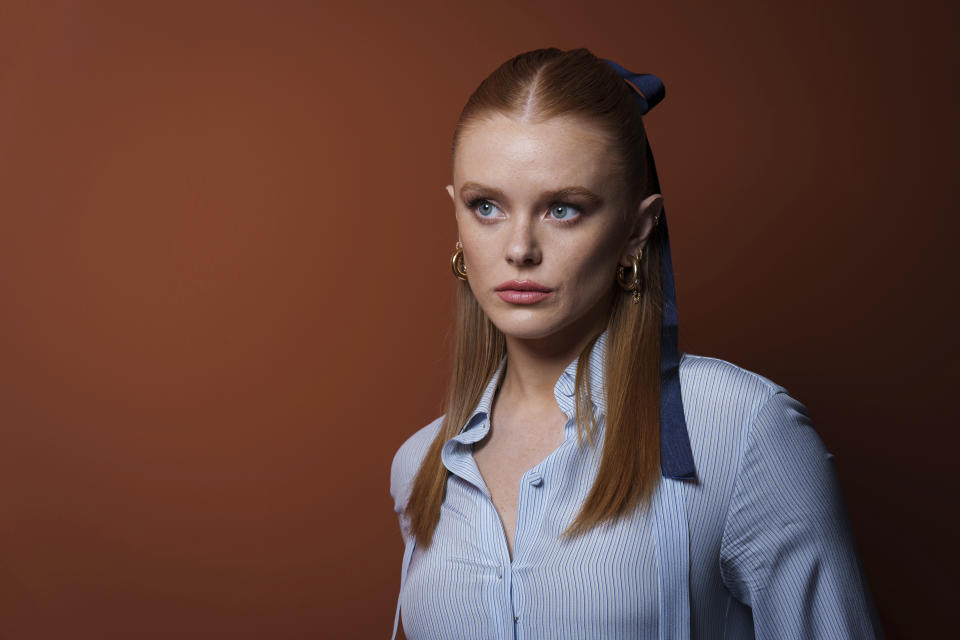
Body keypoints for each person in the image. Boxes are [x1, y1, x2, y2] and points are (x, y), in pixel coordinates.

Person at [389, 47, 882, 639]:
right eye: (486, 206)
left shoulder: (740, 429)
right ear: (458, 220)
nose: (520, 247)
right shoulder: (421, 465)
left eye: (564, 208)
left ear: (637, 230)